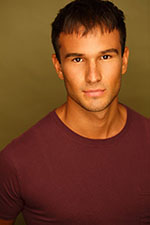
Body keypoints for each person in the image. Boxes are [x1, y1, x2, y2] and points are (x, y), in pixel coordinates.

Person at [0, 0, 150, 224]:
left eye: (106, 56)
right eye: (78, 59)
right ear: (58, 66)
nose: (93, 76)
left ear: (124, 60)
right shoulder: (16, 161)